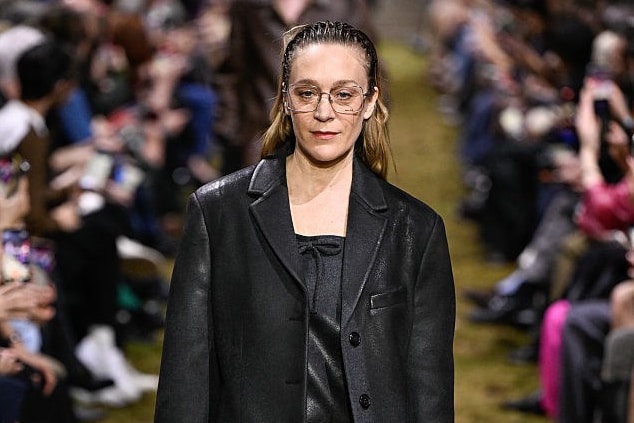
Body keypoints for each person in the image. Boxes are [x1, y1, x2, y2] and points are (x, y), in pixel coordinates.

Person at [155, 21, 456, 422]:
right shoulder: (218, 214)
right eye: (307, 93)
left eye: (344, 95)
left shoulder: (415, 230)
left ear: (370, 102)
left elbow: (429, 390)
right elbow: (185, 379)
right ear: (285, 99)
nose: (323, 112)